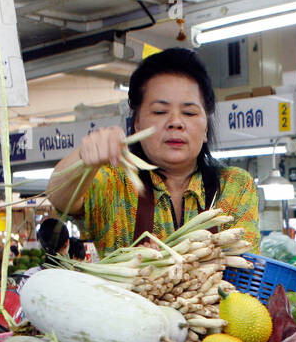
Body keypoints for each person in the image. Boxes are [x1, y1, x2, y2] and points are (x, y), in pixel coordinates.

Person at [46, 47, 259, 254]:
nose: (175, 122)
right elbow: (59, 198)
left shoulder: (234, 186)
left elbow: (246, 265)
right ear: (137, 124)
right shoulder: (114, 183)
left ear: (205, 128)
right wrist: (84, 158)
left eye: (189, 112)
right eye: (160, 111)